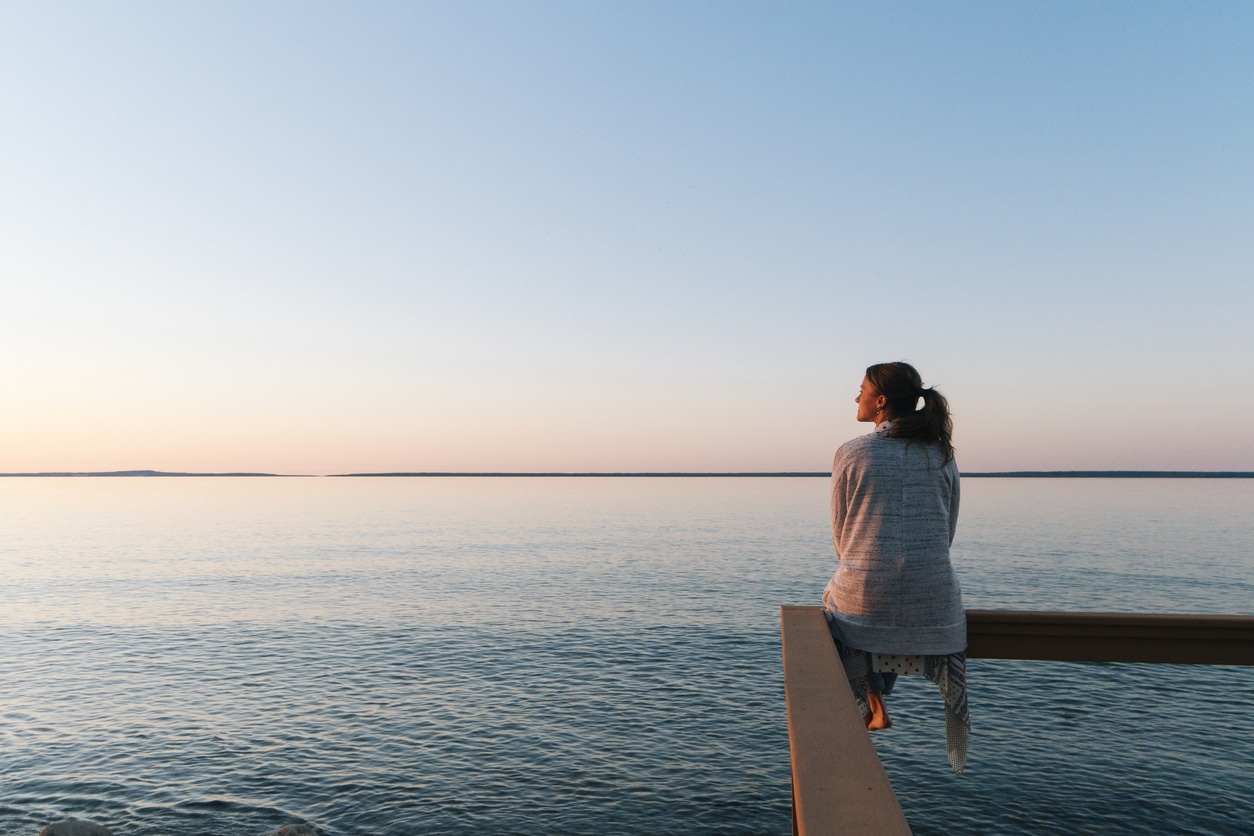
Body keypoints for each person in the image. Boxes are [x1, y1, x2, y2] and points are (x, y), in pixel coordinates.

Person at [822, 361, 970, 771]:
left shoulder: (852, 452)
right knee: (879, 608)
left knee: (843, 607)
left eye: (862, 390)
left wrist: (866, 564)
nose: (856, 397)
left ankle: (874, 699)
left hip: (867, 596)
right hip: (936, 600)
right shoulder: (941, 454)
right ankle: (879, 695)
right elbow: (948, 527)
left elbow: (841, 535)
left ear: (880, 402)